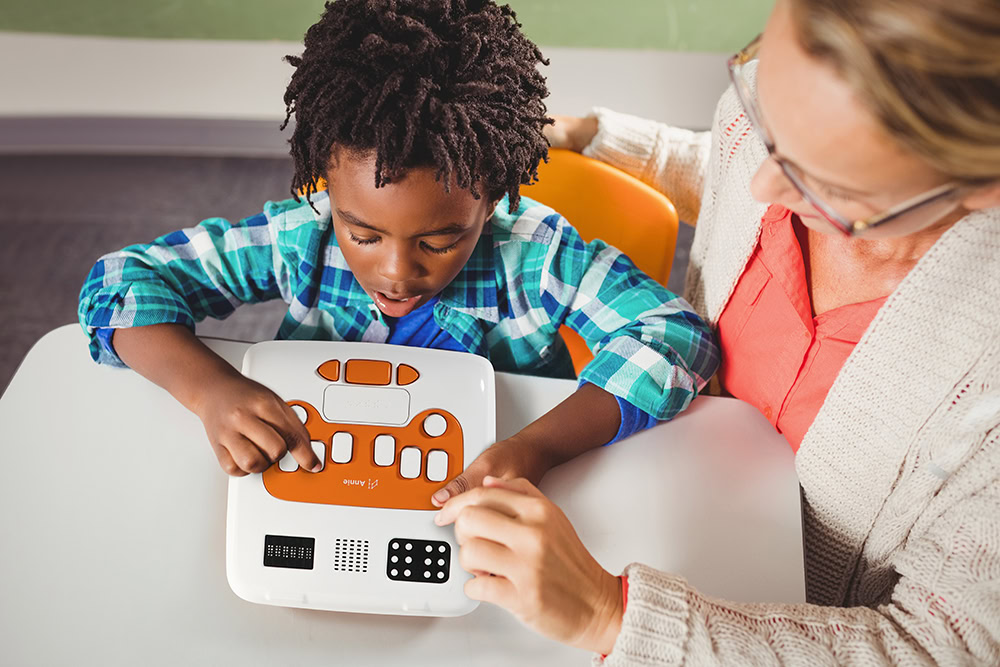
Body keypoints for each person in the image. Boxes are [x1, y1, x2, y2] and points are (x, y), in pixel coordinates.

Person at [436, 0, 1000, 663]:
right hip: (658, 493)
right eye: (764, 103)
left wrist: (610, 618)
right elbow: (739, 165)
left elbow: (943, 645)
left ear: (978, 185)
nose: (762, 181)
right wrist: (593, 135)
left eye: (821, 186)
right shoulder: (762, 144)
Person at [76, 0, 718, 490]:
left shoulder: (537, 254)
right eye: (362, 233)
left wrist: (535, 448)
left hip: (491, 491)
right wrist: (210, 390)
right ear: (324, 182)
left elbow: (676, 337)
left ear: (492, 200)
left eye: (441, 240)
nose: (396, 271)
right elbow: (120, 284)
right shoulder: (303, 236)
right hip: (323, 477)